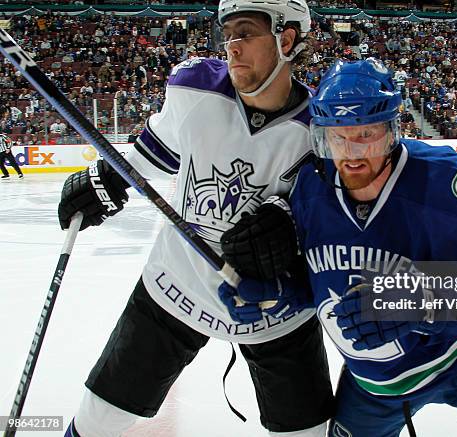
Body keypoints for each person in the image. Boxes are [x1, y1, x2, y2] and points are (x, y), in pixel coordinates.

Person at [221, 59, 457, 437]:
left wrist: (416, 302)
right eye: (338, 136)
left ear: (391, 130)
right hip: (377, 387)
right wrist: (280, 292)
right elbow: (324, 282)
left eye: (366, 134)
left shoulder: (449, 181)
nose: (351, 153)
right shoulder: (310, 190)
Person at [57, 0, 334, 435]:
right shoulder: (194, 88)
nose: (232, 47)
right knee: (98, 419)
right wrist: (106, 178)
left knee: (309, 433)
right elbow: (153, 154)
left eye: (245, 32)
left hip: (274, 308)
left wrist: (289, 230)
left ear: (286, 39)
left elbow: (331, 220)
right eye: (227, 35)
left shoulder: (323, 129)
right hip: (175, 287)